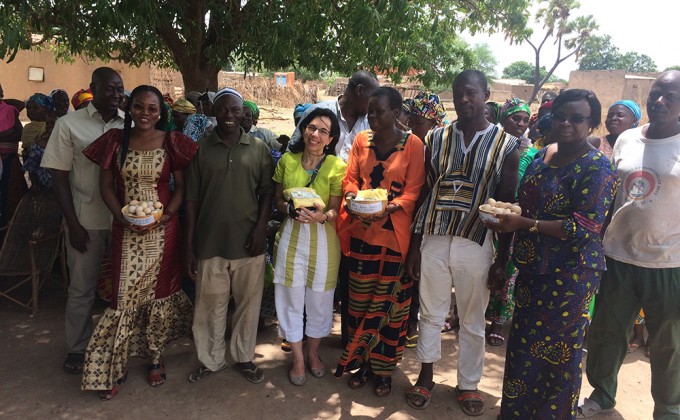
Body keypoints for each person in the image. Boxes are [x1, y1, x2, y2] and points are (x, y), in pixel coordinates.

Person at [485, 89, 618, 419]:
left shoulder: (597, 167)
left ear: (592, 123)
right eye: (561, 116)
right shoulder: (544, 155)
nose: (566, 123)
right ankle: (515, 413)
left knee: (557, 356)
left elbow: (585, 227)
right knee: (523, 348)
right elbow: (524, 203)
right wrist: (505, 240)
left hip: (570, 277)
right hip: (531, 270)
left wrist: (524, 223)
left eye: (577, 118)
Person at [404, 70, 519, 416]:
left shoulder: (506, 145)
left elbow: (507, 205)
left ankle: (468, 383)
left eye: (472, 93)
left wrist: (503, 261)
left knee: (472, 318)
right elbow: (426, 191)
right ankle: (425, 376)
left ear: (486, 94)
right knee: (430, 312)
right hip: (435, 238)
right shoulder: (436, 139)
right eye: (458, 93)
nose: (464, 99)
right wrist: (415, 245)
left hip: (477, 242)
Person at [80, 85, 198, 400]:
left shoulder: (172, 142)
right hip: (125, 230)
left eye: (152, 109)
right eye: (138, 107)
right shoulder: (115, 141)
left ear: (161, 113)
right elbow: (105, 185)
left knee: (158, 294)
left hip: (162, 232)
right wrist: (121, 216)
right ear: (129, 109)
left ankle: (155, 358)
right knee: (122, 298)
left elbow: (182, 188)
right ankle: (114, 366)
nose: (145, 114)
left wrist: (165, 216)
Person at [580, 70, 680, 420]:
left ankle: (668, 409)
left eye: (671, 95)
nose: (660, 101)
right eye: (656, 93)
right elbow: (611, 197)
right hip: (618, 257)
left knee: (669, 345)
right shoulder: (627, 140)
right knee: (607, 331)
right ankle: (602, 395)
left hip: (669, 264)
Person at [334, 86, 425, 397]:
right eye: (369, 111)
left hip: (395, 240)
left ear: (397, 113)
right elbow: (351, 178)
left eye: (379, 111)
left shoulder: (413, 145)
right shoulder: (362, 140)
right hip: (361, 236)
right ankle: (361, 364)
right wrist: (350, 197)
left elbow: (414, 190)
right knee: (359, 305)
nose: (372, 116)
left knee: (391, 310)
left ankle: (384, 370)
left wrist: (388, 207)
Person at [185, 87, 274, 384]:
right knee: (209, 305)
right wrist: (190, 245)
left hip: (250, 243)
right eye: (223, 109)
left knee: (248, 306)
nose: (229, 115)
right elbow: (192, 200)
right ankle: (211, 360)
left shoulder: (258, 149)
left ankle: (244, 357)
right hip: (210, 242)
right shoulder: (200, 148)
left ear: (243, 113)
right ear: (213, 112)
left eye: (235, 110)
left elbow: (266, 193)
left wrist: (261, 228)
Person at [41, 67, 125, 375]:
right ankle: (77, 348)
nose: (116, 94)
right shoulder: (69, 124)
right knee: (81, 289)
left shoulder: (128, 125)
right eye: (110, 89)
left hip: (122, 223)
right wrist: (72, 224)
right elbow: (58, 178)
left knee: (122, 290)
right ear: (93, 89)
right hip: (85, 221)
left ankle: (118, 344)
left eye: (120, 89)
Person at [272, 108, 346, 386]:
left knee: (320, 303)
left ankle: (314, 354)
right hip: (290, 242)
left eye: (323, 131)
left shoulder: (337, 167)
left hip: (324, 246)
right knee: (289, 301)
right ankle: (299, 359)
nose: (315, 134)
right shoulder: (287, 161)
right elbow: (277, 200)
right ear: (303, 130)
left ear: (331, 139)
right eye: (311, 127)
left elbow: (337, 210)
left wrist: (321, 216)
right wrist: (287, 209)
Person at [288, 70, 380, 162]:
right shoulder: (316, 113)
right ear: (360, 90)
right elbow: (292, 151)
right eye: (372, 98)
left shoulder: (369, 124)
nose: (374, 105)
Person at [0, 82, 24, 227]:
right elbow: (14, 133)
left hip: (9, 157)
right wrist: (8, 134)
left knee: (8, 191)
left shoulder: (10, 109)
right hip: (7, 155)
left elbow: (19, 134)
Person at [23, 113, 56, 190]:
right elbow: (32, 166)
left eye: (53, 123)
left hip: (67, 183)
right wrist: (34, 185)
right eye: (47, 124)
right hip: (46, 183)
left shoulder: (67, 142)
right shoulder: (38, 144)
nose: (49, 126)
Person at [21, 93, 54, 158]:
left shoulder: (51, 126)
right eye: (29, 108)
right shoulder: (27, 128)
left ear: (47, 109)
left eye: (35, 107)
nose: (31, 110)